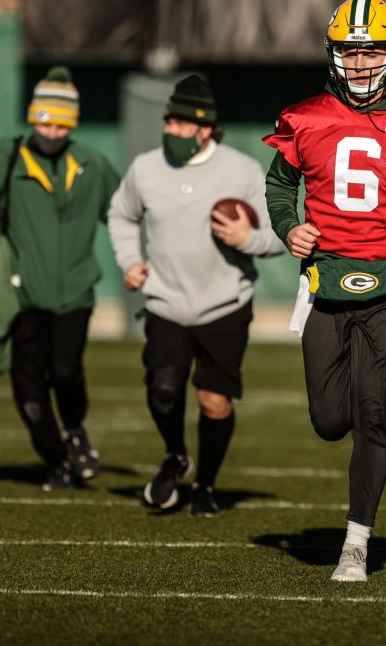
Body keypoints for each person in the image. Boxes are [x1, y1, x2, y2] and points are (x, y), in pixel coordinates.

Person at [263, 0, 386, 581]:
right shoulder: (303, 118)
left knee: (373, 412)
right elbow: (279, 186)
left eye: (370, 50)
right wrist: (288, 226)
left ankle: (357, 540)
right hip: (325, 285)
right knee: (328, 419)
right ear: (333, 55)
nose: (360, 63)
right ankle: (359, 401)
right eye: (350, 52)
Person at [108, 75, 284, 516]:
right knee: (163, 388)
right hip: (165, 301)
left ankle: (205, 484)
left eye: (181, 124)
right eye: (168, 122)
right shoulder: (146, 168)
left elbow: (280, 234)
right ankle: (175, 455)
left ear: (205, 129)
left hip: (224, 305)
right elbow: (121, 215)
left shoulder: (241, 169)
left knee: (214, 400)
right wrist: (130, 260)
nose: (170, 130)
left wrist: (248, 238)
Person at [0, 66, 121, 490]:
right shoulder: (7, 157)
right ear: (32, 117)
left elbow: (123, 217)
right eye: (47, 119)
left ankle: (76, 429)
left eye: (64, 121)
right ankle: (56, 460)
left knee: (64, 372)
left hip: (75, 294)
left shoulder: (92, 164)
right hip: (21, 298)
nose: (55, 129)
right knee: (29, 396)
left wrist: (143, 260)